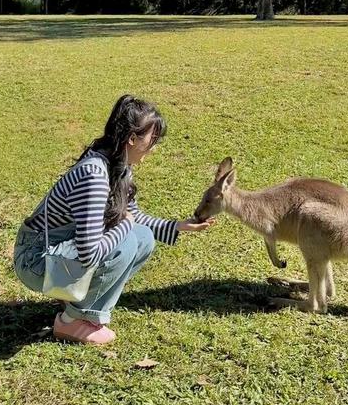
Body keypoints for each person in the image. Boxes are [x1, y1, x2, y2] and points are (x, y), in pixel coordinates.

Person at [13, 94, 214, 345]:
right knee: (127, 242)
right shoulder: (95, 175)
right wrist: (126, 224)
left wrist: (176, 226)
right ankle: (72, 321)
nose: (154, 148)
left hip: (60, 250)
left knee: (142, 238)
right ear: (132, 138)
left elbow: (134, 216)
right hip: (37, 259)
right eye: (152, 140)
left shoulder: (118, 164)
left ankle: (76, 301)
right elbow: (90, 253)